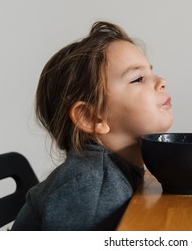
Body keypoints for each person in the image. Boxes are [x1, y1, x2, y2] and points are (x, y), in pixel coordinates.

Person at [11, 21, 173, 230]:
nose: (162, 81)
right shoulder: (92, 186)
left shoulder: (115, 171)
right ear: (91, 118)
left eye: (151, 72)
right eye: (139, 78)